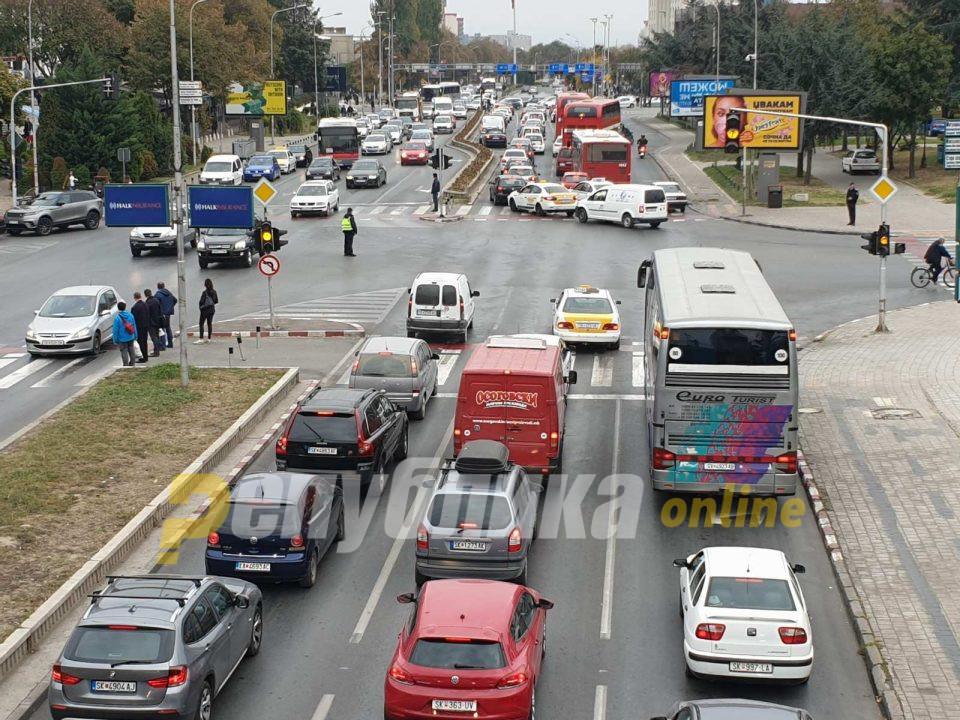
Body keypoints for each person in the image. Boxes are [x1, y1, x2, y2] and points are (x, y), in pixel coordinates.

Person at [112, 301, 138, 367]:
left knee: (124, 351)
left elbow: (115, 330)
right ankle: (132, 363)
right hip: (130, 336)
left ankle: (125, 365)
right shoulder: (130, 315)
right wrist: (135, 335)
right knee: (131, 349)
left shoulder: (117, 318)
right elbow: (134, 326)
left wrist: (115, 339)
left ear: (118, 308)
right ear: (125, 307)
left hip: (122, 339)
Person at [155, 280, 177, 348]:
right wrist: (170, 307)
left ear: (158, 287)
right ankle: (170, 344)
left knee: (161, 329)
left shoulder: (157, 294)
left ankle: (162, 345)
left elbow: (156, 304)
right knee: (168, 328)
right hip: (168, 313)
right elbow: (175, 300)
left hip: (161, 314)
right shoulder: (169, 293)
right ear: (164, 286)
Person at [144, 288, 164, 356]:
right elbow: (160, 310)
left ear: (145, 295)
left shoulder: (148, 302)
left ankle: (156, 351)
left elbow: (147, 313)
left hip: (151, 322)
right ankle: (157, 350)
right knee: (157, 336)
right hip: (158, 321)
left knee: (153, 337)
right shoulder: (156, 300)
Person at [130, 291, 149, 363]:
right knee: (145, 341)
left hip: (139, 327)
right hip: (146, 326)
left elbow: (133, 319)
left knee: (141, 342)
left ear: (134, 298)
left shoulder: (135, 307)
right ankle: (146, 356)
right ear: (140, 296)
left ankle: (143, 357)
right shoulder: (146, 304)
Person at [197, 278, 218, 343]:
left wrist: (201, 308)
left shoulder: (204, 292)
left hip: (205, 311)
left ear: (205, 285)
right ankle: (209, 338)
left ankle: (201, 339)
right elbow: (216, 301)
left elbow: (201, 301)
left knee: (201, 324)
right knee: (209, 324)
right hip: (212, 310)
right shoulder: (214, 292)